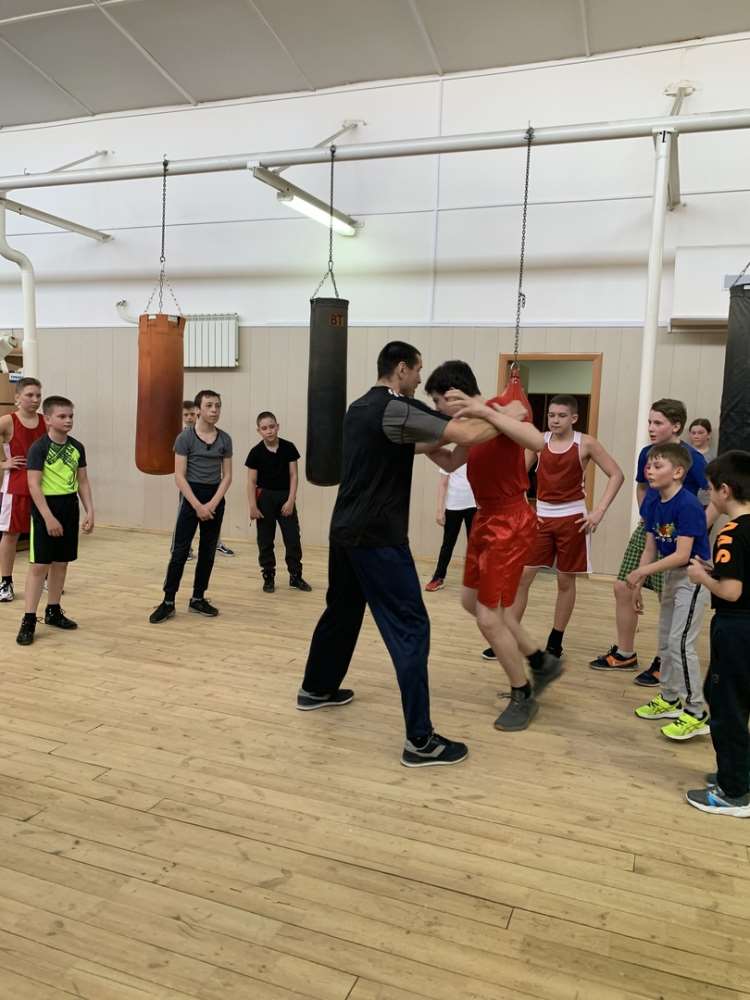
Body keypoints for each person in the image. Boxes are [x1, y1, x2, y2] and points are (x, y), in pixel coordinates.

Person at [298, 342, 508, 767]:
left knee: (342, 611)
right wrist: (507, 415)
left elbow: (449, 456)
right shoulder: (396, 407)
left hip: (345, 531)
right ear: (400, 369)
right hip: (377, 537)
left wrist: (460, 433)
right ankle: (420, 741)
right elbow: (468, 434)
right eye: (417, 370)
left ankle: (316, 689)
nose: (419, 378)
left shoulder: (360, 409)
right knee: (411, 627)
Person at [426, 361, 564, 732]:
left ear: (454, 395)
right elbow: (452, 461)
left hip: (510, 519)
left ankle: (523, 693)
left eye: (439, 401)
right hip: (485, 517)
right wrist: (421, 443)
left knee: (489, 617)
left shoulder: (501, 408)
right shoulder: (471, 428)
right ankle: (541, 661)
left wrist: (486, 411)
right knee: (470, 602)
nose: (438, 408)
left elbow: (538, 442)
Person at [590, 398, 709, 684]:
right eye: (649, 422)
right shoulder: (647, 453)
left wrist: (696, 526)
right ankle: (625, 653)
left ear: (676, 426)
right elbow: (642, 487)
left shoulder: (693, 459)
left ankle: (663, 660)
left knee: (669, 596)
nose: (651, 428)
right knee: (623, 586)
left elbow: (712, 495)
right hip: (652, 528)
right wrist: (647, 516)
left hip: (680, 534)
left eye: (658, 423)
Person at [496, 394, 624, 660]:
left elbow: (616, 474)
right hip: (541, 517)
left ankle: (555, 640)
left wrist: (599, 511)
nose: (555, 420)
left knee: (565, 580)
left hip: (573, 519)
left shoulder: (586, 443)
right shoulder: (538, 441)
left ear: (574, 418)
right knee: (523, 577)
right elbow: (515, 476)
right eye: (552, 415)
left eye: (562, 416)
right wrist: (524, 509)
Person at [626, 443, 711, 740]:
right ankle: (670, 698)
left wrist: (642, 572)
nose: (649, 470)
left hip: (692, 577)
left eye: (657, 466)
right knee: (665, 640)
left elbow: (682, 554)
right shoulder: (652, 502)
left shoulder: (688, 505)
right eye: (649, 465)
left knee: (681, 643)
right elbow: (650, 547)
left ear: (678, 472)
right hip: (670, 577)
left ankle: (696, 712)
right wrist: (637, 585)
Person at [685, 451, 750, 816]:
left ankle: (734, 792)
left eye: (710, 489)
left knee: (728, 708)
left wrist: (702, 577)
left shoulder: (731, 533)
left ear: (725, 490)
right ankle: (738, 771)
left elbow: (731, 591)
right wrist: (717, 572)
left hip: (736, 627)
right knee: (727, 696)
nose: (709, 496)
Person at [16, 395, 94, 646]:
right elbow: (33, 485)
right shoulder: (39, 448)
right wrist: (48, 517)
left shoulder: (77, 447)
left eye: (71, 416)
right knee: (40, 566)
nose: (68, 420)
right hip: (45, 509)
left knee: (61, 563)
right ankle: (29, 619)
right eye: (62, 416)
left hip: (69, 507)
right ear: (48, 419)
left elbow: (83, 481)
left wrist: (90, 510)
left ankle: (53, 610)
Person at [149, 389, 232, 624]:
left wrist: (212, 504)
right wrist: (197, 506)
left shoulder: (225, 439)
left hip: (215, 498)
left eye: (217, 405)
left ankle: (198, 598)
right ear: (197, 410)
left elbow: (227, 476)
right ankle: (168, 601)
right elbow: (179, 476)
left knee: (208, 551)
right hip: (191, 498)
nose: (214, 410)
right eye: (209, 405)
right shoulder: (184, 439)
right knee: (180, 551)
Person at [246, 411, 310, 593]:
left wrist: (290, 500)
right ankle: (268, 576)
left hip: (285, 497)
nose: (269, 431)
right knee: (265, 540)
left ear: (278, 427)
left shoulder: (289, 447)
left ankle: (295, 576)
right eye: (264, 428)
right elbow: (251, 481)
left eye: (272, 427)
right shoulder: (255, 452)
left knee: (293, 539)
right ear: (259, 431)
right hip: (264, 498)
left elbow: (294, 475)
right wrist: (253, 506)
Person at [0, 376, 46, 602]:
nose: (35, 399)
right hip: (16, 487)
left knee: (44, 534)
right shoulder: (8, 421)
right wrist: (3, 464)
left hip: (44, 487)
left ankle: (44, 576)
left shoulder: (46, 421)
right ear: (17, 397)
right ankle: (5, 582)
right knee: (10, 535)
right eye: (30, 395)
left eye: (38, 395)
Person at [183, 399, 234, 558]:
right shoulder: (184, 437)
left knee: (212, 517)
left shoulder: (216, 436)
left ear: (198, 413)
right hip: (190, 486)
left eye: (192, 414)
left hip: (211, 485)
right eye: (186, 415)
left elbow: (226, 472)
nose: (189, 417)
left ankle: (217, 543)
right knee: (185, 522)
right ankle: (185, 549)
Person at [424, 462, 476, 592]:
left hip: (474, 506)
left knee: (475, 546)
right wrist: (439, 510)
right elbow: (443, 484)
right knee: (447, 544)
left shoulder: (477, 455)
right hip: (453, 506)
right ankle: (438, 577)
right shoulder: (450, 457)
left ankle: (476, 579)